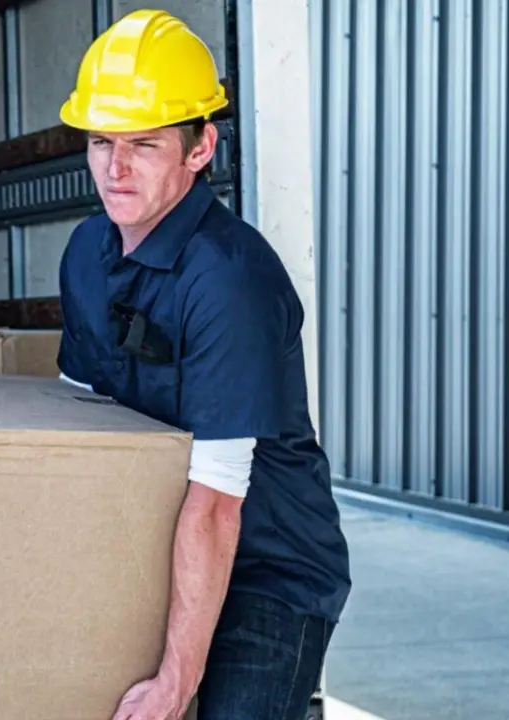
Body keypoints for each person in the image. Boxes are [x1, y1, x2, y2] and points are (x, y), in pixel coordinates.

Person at [52, 10, 350, 720]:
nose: (114, 169)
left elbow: (218, 508)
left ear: (199, 147)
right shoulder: (86, 253)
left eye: (143, 145)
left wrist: (175, 687)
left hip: (264, 569)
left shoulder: (229, 280)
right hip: (153, 541)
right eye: (100, 142)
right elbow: (76, 434)